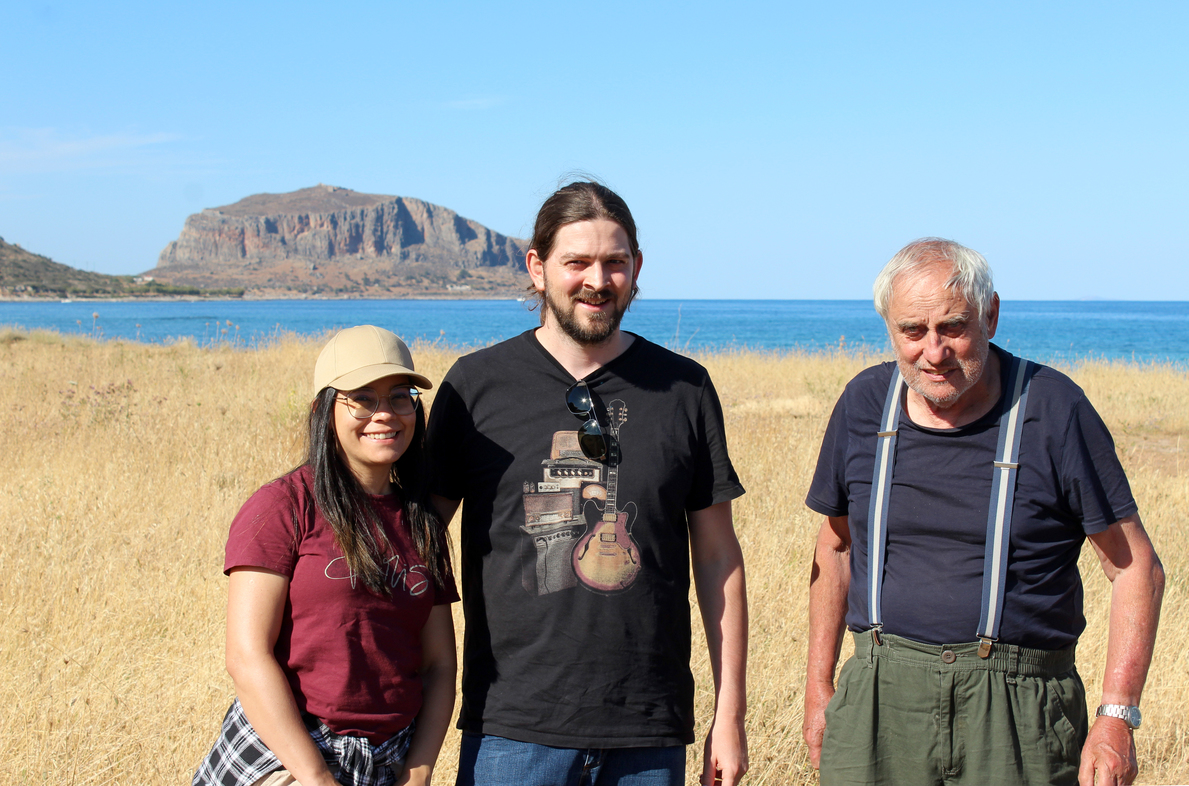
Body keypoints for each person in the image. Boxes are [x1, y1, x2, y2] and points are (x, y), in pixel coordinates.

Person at [802, 238, 1165, 786]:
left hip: (1019, 714)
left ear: (991, 315)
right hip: (878, 702)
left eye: (952, 327)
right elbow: (835, 547)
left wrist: (1117, 715)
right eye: (912, 331)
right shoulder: (862, 403)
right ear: (889, 328)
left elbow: (1136, 567)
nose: (934, 351)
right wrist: (819, 688)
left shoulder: (1054, 408)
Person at [426, 181, 749, 786]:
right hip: (513, 729)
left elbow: (717, 557)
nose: (596, 280)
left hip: (647, 732)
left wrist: (729, 713)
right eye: (576, 262)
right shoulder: (475, 387)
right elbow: (413, 540)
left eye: (615, 262)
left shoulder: (685, 389)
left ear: (636, 268)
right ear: (537, 267)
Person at [194, 325, 458, 786]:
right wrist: (315, 777)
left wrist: (417, 773)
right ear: (324, 410)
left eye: (400, 397)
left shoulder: (420, 521)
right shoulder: (283, 506)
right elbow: (247, 655)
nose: (385, 415)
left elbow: (439, 665)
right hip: (289, 751)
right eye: (361, 398)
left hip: (389, 757)